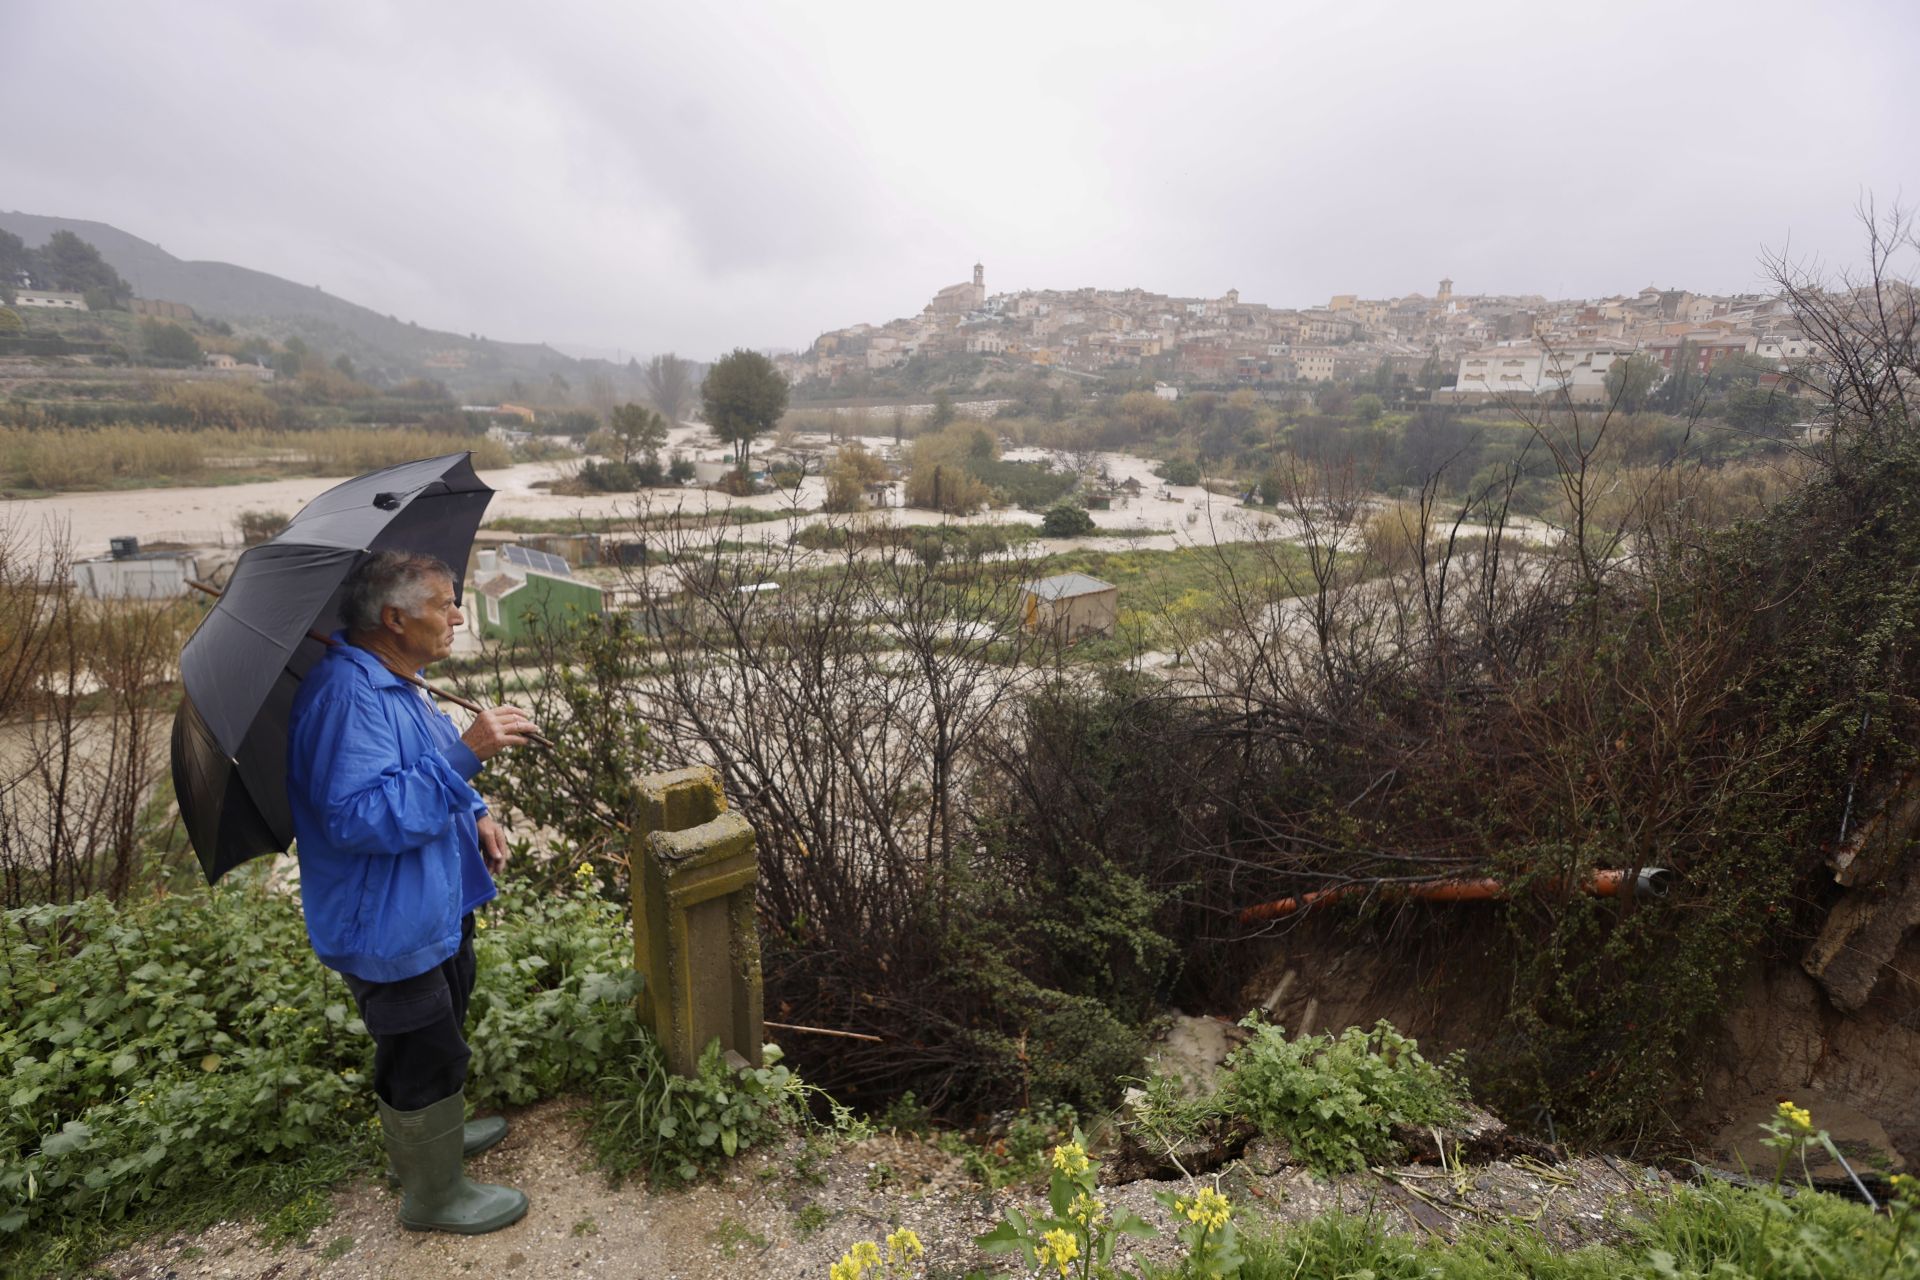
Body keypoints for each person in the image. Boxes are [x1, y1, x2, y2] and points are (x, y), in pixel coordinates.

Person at [287, 550, 539, 1235]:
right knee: (421, 1048)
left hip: (432, 902)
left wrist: (478, 808)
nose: (459, 615)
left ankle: (438, 1142)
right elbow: (358, 817)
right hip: (387, 922)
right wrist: (470, 752)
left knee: (444, 1023)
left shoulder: (401, 681)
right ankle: (432, 1196)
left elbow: (424, 764)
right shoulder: (350, 697)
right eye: (444, 605)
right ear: (395, 619)